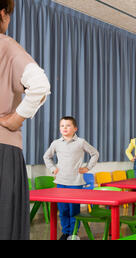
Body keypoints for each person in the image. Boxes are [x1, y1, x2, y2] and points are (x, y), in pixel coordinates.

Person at [0, 0, 51, 240]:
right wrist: (16, 118)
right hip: (3, 149)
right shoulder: (6, 46)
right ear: (2, 14)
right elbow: (40, 85)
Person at [43, 116, 99, 240]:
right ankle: (65, 232)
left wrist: (88, 168)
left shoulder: (81, 142)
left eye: (68, 125)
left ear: (75, 128)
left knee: (74, 210)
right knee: (63, 210)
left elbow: (95, 153)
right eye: (62, 126)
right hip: (60, 182)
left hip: (75, 182)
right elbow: (46, 157)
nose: (65, 128)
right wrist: (53, 169)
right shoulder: (56, 143)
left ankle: (73, 233)